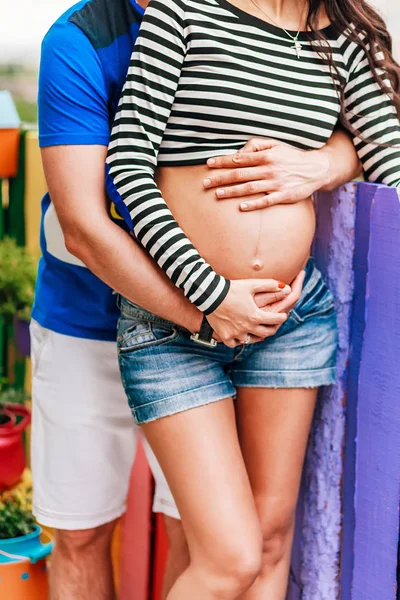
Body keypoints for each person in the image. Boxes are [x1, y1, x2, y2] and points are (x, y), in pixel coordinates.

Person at [34, 0, 360, 599]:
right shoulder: (84, 38)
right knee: (81, 533)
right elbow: (84, 226)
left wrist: (325, 161)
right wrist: (205, 311)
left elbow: (351, 114)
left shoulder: (261, 20)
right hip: (90, 319)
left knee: (208, 539)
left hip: (235, 322)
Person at [106, 0, 400, 598]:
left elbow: (390, 160)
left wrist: (325, 163)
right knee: (230, 559)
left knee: (270, 541)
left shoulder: (344, 33)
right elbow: (130, 163)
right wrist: (210, 294)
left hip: (291, 321)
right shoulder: (182, 13)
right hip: (177, 326)